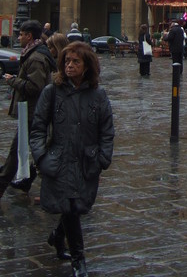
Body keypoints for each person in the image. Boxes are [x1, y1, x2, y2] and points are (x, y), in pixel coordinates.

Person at [30, 42, 114, 276]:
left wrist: (103, 158)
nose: (69, 65)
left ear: (87, 66)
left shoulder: (98, 95)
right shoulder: (52, 92)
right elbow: (37, 128)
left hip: (87, 161)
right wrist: (41, 157)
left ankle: (57, 237)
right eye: (66, 61)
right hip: (59, 160)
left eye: (75, 61)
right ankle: (79, 260)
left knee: (74, 207)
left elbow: (107, 130)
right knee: (70, 207)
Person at [0, 20, 55, 200]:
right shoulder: (33, 54)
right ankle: (31, 181)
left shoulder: (36, 57)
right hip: (32, 112)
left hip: (32, 113)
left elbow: (35, 87)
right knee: (34, 151)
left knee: (17, 153)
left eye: (21, 34)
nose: (19, 37)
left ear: (29, 36)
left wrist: (12, 81)